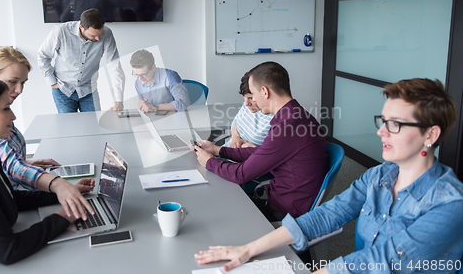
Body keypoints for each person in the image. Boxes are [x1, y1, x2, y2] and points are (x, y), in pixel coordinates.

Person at [194, 78, 463, 273]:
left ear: (431, 134)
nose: (381, 132)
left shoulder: (450, 203)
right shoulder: (381, 176)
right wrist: (248, 249)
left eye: (395, 124)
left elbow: (386, 259)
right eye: (382, 121)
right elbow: (328, 214)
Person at [0, 73, 94, 272]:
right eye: (6, 109)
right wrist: (66, 215)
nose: (13, 116)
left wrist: (62, 194)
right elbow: (7, 251)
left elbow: (9, 198)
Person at [191, 62, 329, 221]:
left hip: (284, 214)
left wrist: (209, 161)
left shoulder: (288, 126)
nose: (251, 100)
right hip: (282, 202)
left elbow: (241, 174)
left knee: (215, 212)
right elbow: (262, 153)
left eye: (253, 94)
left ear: (264, 91)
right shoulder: (296, 115)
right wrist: (217, 150)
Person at [0, 46, 95, 218]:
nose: (19, 90)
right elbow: (13, 169)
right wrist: (59, 185)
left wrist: (26, 161)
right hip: (9, 205)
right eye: (12, 81)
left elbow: (0, 160)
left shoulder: (0, 110)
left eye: (23, 83)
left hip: (16, 197)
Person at [38, 8, 125, 113]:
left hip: (88, 90)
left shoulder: (106, 34)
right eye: (93, 35)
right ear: (81, 27)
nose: (98, 38)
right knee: (69, 127)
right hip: (63, 90)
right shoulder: (61, 31)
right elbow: (43, 56)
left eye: (99, 34)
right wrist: (52, 82)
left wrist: (118, 99)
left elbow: (114, 66)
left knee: (94, 125)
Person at [224, 71, 273, 148]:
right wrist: (235, 138)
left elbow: (269, 153)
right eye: (245, 97)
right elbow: (236, 122)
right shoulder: (249, 106)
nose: (246, 103)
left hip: (244, 157)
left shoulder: (275, 119)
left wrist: (250, 147)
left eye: (251, 98)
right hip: (227, 150)